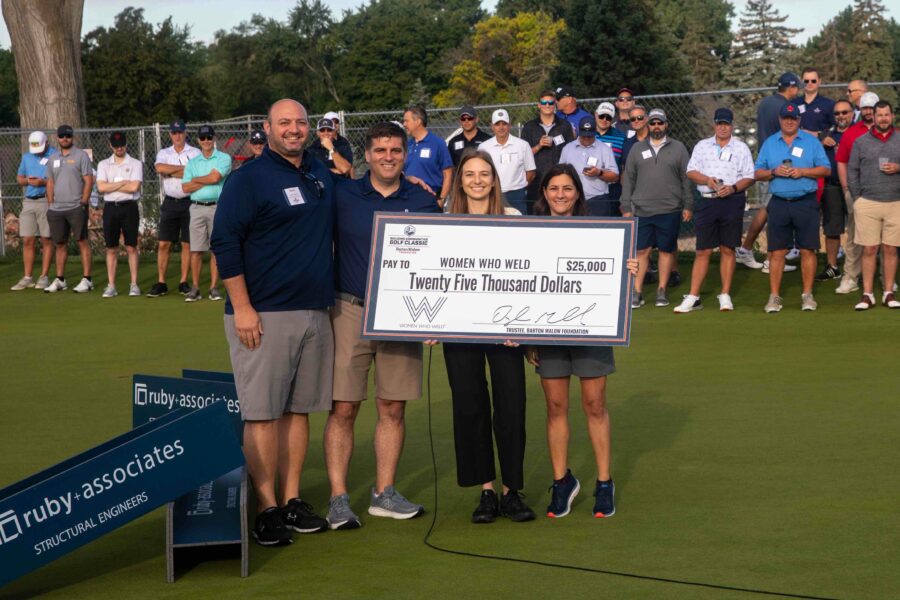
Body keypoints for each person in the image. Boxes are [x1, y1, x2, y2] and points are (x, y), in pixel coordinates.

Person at [211, 98, 334, 546]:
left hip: (315, 312)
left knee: (298, 411)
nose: (294, 129)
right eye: (285, 123)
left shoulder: (318, 171)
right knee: (262, 415)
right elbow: (225, 241)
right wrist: (242, 307)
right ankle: (265, 508)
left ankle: (291, 499)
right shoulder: (248, 179)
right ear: (268, 128)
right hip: (263, 315)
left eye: (300, 122)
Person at [324, 122, 439, 530]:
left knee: (393, 406)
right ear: (367, 155)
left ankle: (383, 492)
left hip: (403, 314)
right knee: (344, 407)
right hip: (350, 309)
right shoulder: (344, 196)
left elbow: (442, 261)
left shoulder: (424, 202)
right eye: (380, 150)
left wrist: (434, 314)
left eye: (395, 150)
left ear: (405, 154)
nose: (387, 156)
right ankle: (338, 498)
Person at [529, 163, 638, 519]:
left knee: (594, 405)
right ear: (544, 193)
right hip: (547, 333)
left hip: (591, 328)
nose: (560, 194)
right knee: (556, 408)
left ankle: (604, 482)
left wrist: (629, 269)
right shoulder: (527, 232)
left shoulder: (600, 230)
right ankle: (562, 481)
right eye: (554, 188)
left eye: (567, 188)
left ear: (578, 192)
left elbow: (614, 273)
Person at [438, 149, 534, 524]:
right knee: (470, 406)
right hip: (459, 330)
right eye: (469, 174)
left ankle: (512, 491)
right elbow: (434, 278)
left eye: (484, 174)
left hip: (505, 332)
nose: (477, 180)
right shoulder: (445, 222)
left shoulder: (513, 218)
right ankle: (487, 490)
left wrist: (525, 331)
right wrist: (427, 324)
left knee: (511, 407)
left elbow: (528, 277)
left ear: (495, 180)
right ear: (459, 181)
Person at [754, 103, 831, 313]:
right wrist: (773, 171)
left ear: (799, 120)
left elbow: (825, 169)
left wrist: (803, 172)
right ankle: (775, 297)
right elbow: (757, 173)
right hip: (779, 202)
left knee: (808, 249)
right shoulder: (770, 143)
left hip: (805, 201)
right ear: (780, 119)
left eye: (794, 118)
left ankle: (807, 295)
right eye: (786, 118)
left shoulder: (811, 141)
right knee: (777, 251)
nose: (789, 121)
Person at [678, 108, 756, 312]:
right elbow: (691, 171)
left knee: (727, 249)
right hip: (707, 201)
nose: (723, 127)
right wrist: (707, 180)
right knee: (703, 250)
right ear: (714, 124)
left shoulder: (741, 148)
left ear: (732, 125)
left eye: (727, 123)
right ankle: (694, 297)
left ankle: (725, 294)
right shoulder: (702, 146)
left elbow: (749, 176)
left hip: (732, 200)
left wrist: (733, 188)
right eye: (719, 123)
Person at [620, 109, 692, 308]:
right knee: (641, 251)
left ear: (666, 124)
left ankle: (661, 290)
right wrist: (626, 206)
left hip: (670, 209)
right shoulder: (636, 149)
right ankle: (637, 292)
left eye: (660, 123)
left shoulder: (678, 148)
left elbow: (686, 179)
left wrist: (688, 205)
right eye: (652, 123)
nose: (656, 127)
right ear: (648, 125)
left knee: (666, 251)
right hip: (642, 210)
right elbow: (628, 180)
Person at [736, 72, 801, 272]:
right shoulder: (783, 107)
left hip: (765, 161)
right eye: (796, 87)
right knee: (773, 209)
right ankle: (771, 259)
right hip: (778, 164)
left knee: (767, 209)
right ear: (791, 88)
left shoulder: (765, 103)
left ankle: (748, 250)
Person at [846, 100, 900, 310]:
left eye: (887, 115)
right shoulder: (861, 142)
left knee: (890, 249)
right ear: (873, 117)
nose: (883, 119)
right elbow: (852, 171)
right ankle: (867, 294)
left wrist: (898, 168)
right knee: (869, 249)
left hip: (895, 202)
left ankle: (888, 292)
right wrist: (858, 198)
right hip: (867, 202)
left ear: (892, 116)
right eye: (880, 115)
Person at [834, 91, 879, 294]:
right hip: (857, 191)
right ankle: (851, 277)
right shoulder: (851, 132)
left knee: (885, 239)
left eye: (872, 108)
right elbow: (841, 161)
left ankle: (886, 279)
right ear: (860, 110)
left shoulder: (892, 132)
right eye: (865, 108)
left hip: (885, 192)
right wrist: (846, 188)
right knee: (854, 236)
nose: (868, 112)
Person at [149, 120, 200, 297]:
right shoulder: (164, 152)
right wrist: (186, 170)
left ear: (185, 133)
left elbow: (197, 174)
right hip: (170, 202)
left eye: (180, 132)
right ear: (170, 134)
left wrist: (171, 172)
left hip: (189, 202)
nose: (177, 136)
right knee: (164, 243)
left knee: (187, 244)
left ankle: (183, 282)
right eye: (174, 133)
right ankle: (161, 281)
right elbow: (159, 168)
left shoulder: (195, 152)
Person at [182, 124, 232, 302]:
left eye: (209, 137)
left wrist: (196, 179)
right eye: (202, 138)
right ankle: (195, 287)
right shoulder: (193, 162)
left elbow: (215, 178)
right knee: (195, 249)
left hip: (217, 207)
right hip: (196, 207)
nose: (206, 141)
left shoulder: (223, 158)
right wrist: (204, 180)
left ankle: (213, 287)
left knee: (215, 249)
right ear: (198, 140)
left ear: (214, 138)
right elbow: (186, 187)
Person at [43, 125, 94, 294]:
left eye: (68, 136)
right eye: (62, 136)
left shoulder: (81, 156)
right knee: (60, 244)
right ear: (57, 138)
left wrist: (84, 201)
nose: (65, 139)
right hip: (56, 209)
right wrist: (50, 204)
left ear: (72, 137)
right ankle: (60, 279)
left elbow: (88, 180)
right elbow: (50, 182)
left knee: (82, 241)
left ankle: (87, 279)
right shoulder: (53, 158)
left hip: (76, 207)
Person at [96, 131, 144, 298]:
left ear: (126, 144)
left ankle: (134, 284)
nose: (119, 148)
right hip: (111, 208)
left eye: (122, 145)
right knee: (111, 248)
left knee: (131, 246)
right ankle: (111, 285)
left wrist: (113, 185)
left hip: (129, 207)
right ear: (111, 146)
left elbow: (134, 188)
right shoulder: (103, 164)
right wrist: (123, 182)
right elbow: (101, 188)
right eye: (116, 146)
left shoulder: (136, 163)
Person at [11, 131, 57, 291]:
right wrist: (27, 181)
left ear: (46, 143)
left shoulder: (55, 155)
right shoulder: (27, 157)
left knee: (46, 239)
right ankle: (28, 277)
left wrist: (43, 182)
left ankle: (44, 276)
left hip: (46, 199)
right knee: (28, 239)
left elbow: (59, 178)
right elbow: (19, 178)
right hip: (29, 201)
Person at [815, 99, 853, 283]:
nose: (841, 116)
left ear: (852, 113)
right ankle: (832, 266)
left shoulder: (858, 132)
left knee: (859, 227)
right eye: (837, 113)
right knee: (831, 227)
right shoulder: (827, 133)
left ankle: (857, 268)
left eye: (844, 112)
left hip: (855, 185)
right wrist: (821, 141)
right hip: (831, 185)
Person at [521, 90, 574, 212]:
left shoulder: (564, 126)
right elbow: (523, 155)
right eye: (544, 102)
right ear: (538, 105)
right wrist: (539, 146)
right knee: (535, 216)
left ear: (555, 104)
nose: (547, 105)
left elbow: (571, 151)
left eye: (550, 102)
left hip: (558, 180)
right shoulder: (529, 127)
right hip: (536, 180)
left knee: (558, 214)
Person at [478, 109, 536, 215]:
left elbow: (531, 172)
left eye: (504, 124)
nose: (501, 127)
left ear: (510, 125)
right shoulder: (483, 147)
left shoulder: (523, 145)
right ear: (492, 126)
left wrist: (519, 187)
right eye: (497, 124)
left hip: (517, 195)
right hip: (492, 193)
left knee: (519, 226)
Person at [559, 117, 619, 216]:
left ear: (595, 132)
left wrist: (599, 173)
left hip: (597, 200)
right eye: (584, 136)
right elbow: (560, 174)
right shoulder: (567, 149)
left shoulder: (604, 149)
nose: (586, 138)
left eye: (590, 136)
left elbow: (615, 176)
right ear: (579, 132)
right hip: (573, 200)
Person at [402, 105, 453, 205]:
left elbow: (448, 174)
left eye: (406, 121)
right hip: (407, 197)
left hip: (430, 198)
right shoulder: (407, 145)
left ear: (417, 122)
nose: (404, 124)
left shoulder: (438, 143)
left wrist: (441, 199)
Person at [791, 67, 835, 136]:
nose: (810, 83)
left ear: (819, 81)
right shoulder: (794, 104)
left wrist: (818, 134)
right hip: (797, 145)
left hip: (819, 145)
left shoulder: (829, 104)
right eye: (806, 81)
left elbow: (835, 128)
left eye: (813, 81)